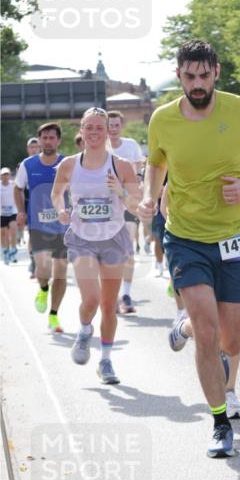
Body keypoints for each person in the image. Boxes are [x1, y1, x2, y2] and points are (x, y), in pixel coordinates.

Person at [138, 40, 240, 458]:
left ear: (216, 72)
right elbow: (157, 163)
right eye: (189, 77)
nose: (197, 84)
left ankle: (181, 328)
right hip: (185, 235)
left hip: (237, 234)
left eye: (204, 75)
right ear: (179, 75)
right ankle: (219, 422)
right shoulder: (163, 119)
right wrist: (150, 195)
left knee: (232, 340)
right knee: (207, 329)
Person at [52, 108, 140, 384]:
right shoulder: (69, 164)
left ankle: (105, 361)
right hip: (82, 238)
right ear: (81, 130)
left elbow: (136, 204)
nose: (93, 133)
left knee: (108, 305)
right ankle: (84, 330)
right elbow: (56, 193)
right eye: (88, 127)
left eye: (99, 128)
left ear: (108, 132)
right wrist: (60, 210)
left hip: (113, 238)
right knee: (90, 299)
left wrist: (121, 192)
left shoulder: (122, 165)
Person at [14, 123, 69, 332]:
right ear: (39, 141)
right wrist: (21, 211)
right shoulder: (28, 165)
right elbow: (18, 188)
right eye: (44, 138)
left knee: (61, 273)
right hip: (38, 226)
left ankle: (54, 315)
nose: (48, 141)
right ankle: (43, 288)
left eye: (52, 137)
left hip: (63, 228)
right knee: (43, 269)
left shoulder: (68, 163)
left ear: (58, 140)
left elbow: (76, 191)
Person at [107, 110, 145, 314]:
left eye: (116, 125)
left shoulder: (130, 145)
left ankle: (127, 293)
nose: (112, 129)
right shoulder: (99, 147)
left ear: (121, 126)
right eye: (109, 125)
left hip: (129, 201)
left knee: (128, 247)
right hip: (108, 205)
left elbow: (140, 164)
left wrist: (137, 176)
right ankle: (112, 295)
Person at [0, 168, 18, 263]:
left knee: (13, 230)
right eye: (3, 174)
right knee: (3, 233)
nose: (5, 176)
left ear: (10, 175)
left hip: (13, 211)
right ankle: (5, 251)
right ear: (1, 176)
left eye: (7, 174)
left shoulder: (13, 185)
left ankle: (13, 251)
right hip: (1, 213)